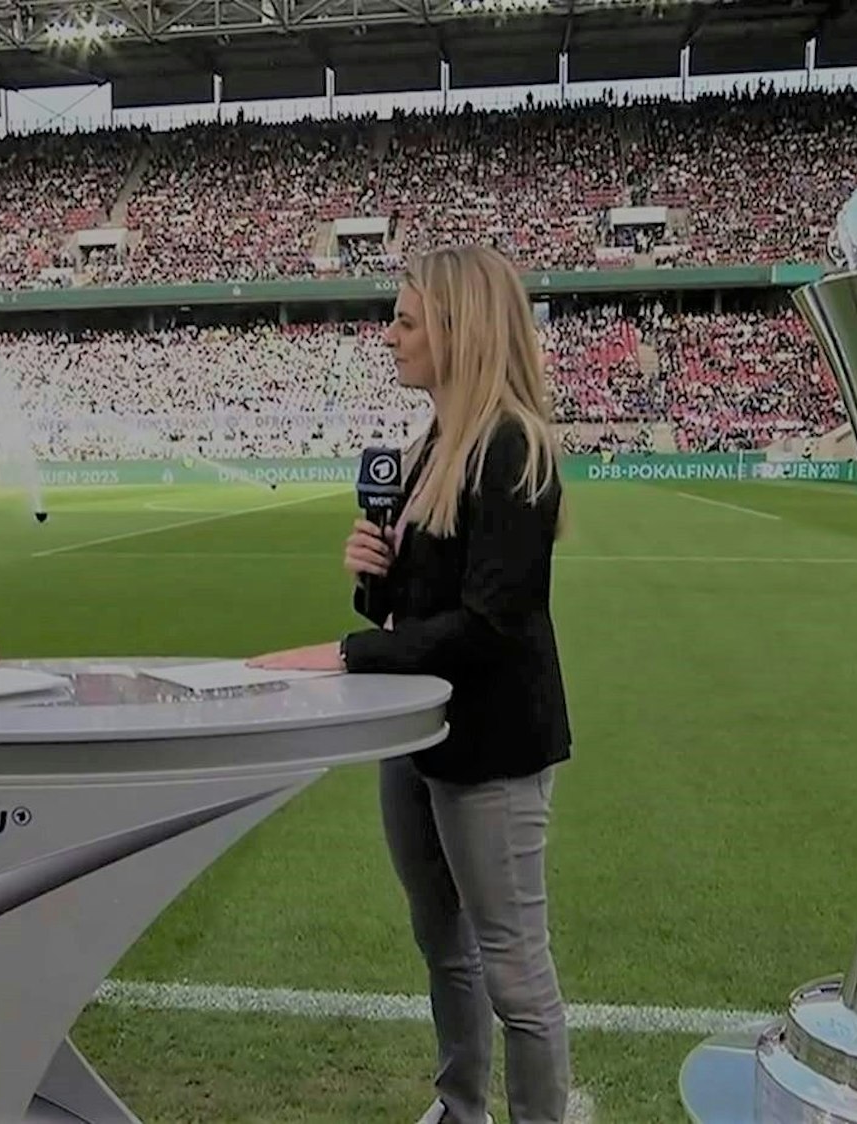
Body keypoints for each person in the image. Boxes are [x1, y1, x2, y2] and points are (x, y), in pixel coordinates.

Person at [249, 244, 573, 1124]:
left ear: (458, 329)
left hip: (492, 748)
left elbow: (490, 624)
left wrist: (350, 651)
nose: (386, 335)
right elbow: (421, 606)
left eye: (403, 318)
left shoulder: (510, 447)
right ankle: (459, 1105)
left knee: (514, 969)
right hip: (417, 737)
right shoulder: (429, 442)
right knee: (442, 944)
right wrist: (374, 578)